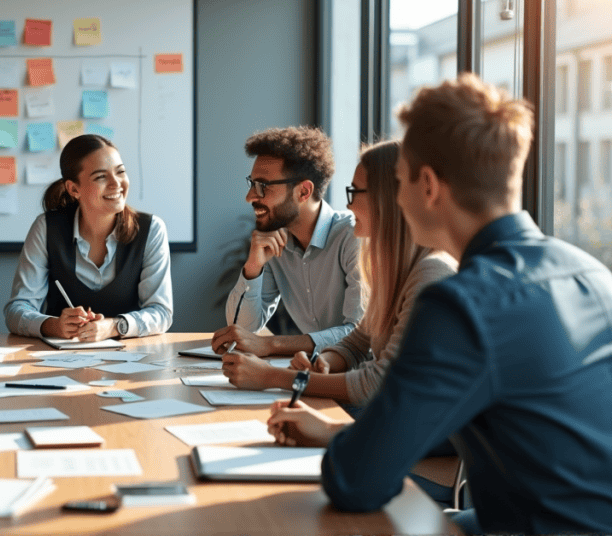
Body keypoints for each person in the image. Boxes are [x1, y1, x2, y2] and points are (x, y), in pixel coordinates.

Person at [268, 74, 612, 534]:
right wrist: (336, 432)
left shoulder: (461, 304)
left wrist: (342, 444)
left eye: (402, 180)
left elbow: (356, 481)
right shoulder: (592, 272)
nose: (399, 197)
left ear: (428, 186)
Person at [222, 141, 456, 400]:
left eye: (354, 192)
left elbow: (377, 382)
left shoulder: (429, 274)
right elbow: (357, 342)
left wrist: (273, 375)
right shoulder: (394, 269)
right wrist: (327, 362)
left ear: (387, 200)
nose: (350, 205)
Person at [212, 126, 363, 360]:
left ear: (303, 192)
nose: (250, 197)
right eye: (251, 184)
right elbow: (243, 331)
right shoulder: (275, 243)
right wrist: (253, 267)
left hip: (361, 384)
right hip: (315, 374)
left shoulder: (354, 237)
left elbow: (359, 335)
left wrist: (272, 344)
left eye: (262, 186)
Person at [4, 134, 172, 341]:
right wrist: (53, 325)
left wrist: (114, 326)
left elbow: (161, 313)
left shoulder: (151, 230)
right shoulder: (46, 228)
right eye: (101, 177)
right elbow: (16, 310)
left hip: (131, 359)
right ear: (74, 189)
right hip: (59, 359)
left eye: (120, 172)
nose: (116, 184)